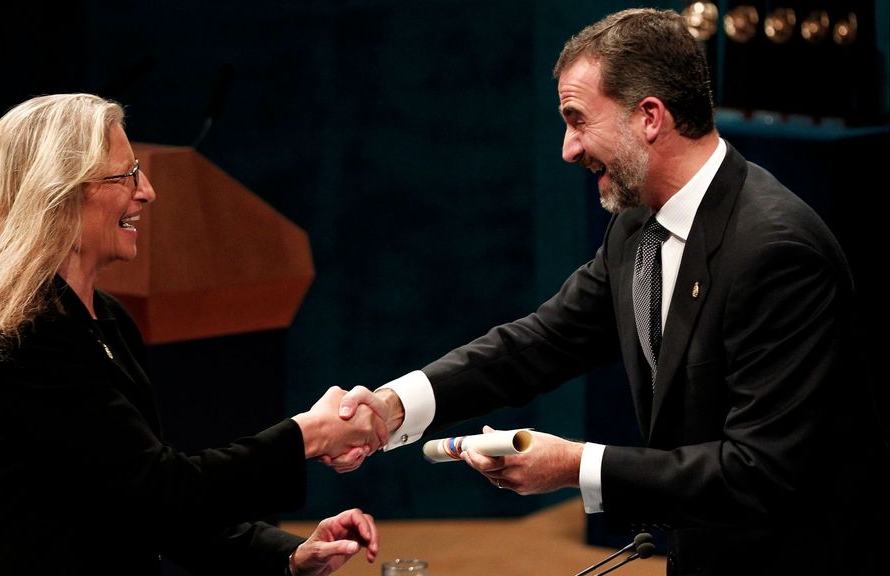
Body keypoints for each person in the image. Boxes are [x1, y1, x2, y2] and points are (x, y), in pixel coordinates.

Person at [337, 8, 889, 574]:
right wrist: (393, 406)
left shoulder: (777, 251)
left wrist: (579, 466)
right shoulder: (636, 226)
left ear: (649, 116)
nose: (568, 149)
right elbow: (539, 343)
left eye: (577, 120)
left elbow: (760, 469)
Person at [0, 93, 383, 576]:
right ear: (59, 191)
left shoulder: (107, 317)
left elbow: (148, 504)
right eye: (124, 175)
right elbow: (158, 489)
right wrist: (309, 434)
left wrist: (287, 555)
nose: (146, 191)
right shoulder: (24, 329)